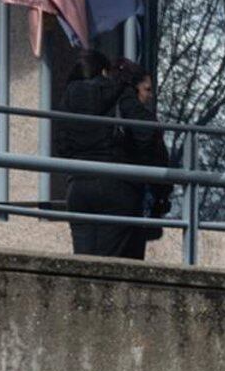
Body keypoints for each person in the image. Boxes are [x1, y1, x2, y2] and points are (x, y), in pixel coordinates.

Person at [53, 51, 148, 259]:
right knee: (109, 262)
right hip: (116, 183)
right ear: (104, 71)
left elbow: (61, 145)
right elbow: (147, 133)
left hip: (79, 184)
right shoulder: (120, 91)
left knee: (83, 261)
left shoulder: (69, 97)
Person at [109, 60, 174, 252]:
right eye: (147, 89)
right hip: (135, 190)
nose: (150, 96)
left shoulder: (112, 107)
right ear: (134, 87)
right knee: (130, 250)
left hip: (124, 189)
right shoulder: (135, 112)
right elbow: (148, 146)